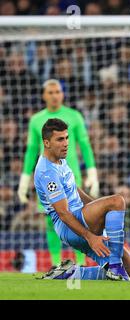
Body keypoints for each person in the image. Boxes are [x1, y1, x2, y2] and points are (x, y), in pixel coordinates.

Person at [35, 118, 130, 281]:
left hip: (81, 218)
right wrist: (90, 237)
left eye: (67, 138)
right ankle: (114, 267)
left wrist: (97, 207)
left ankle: (71, 273)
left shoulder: (60, 160)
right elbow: (63, 213)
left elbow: (73, 189)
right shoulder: (47, 173)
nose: (66, 143)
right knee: (117, 201)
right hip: (70, 226)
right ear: (46, 143)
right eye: (60, 139)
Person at [17, 79, 99, 267]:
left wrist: (92, 171)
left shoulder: (74, 116)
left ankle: (80, 261)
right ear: (44, 95)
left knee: (77, 217)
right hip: (47, 176)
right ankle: (56, 263)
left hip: (71, 175)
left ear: (62, 94)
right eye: (51, 92)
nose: (55, 95)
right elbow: (31, 151)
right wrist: (24, 178)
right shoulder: (36, 120)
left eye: (58, 92)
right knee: (51, 218)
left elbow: (85, 146)